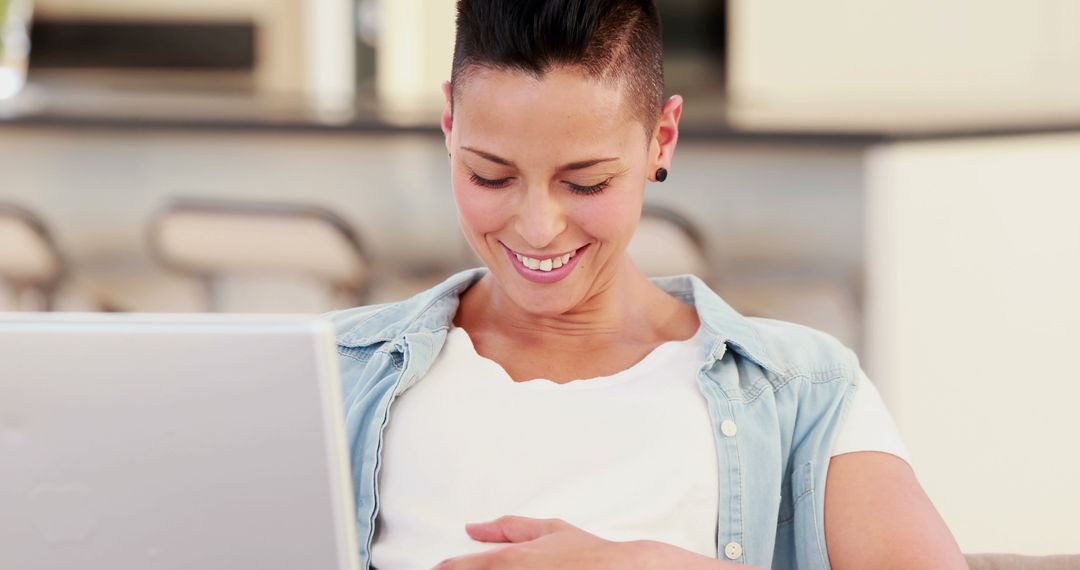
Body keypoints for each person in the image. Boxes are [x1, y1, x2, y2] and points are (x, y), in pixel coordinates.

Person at [327, 1, 967, 568]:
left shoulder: (805, 391)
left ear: (662, 139)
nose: (539, 228)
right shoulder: (332, 370)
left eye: (586, 183)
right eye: (491, 177)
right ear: (449, 123)